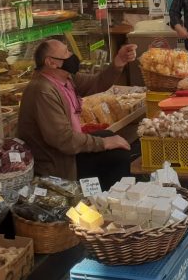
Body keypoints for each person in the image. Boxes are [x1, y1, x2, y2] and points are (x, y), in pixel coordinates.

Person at [17, 39, 138, 189]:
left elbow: (96, 82)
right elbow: (63, 139)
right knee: (117, 155)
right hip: (59, 163)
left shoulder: (66, 79)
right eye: (66, 52)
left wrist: (118, 63)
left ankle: (114, 198)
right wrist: (103, 144)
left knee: (108, 136)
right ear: (51, 62)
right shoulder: (43, 91)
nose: (71, 55)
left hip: (69, 150)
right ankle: (107, 202)